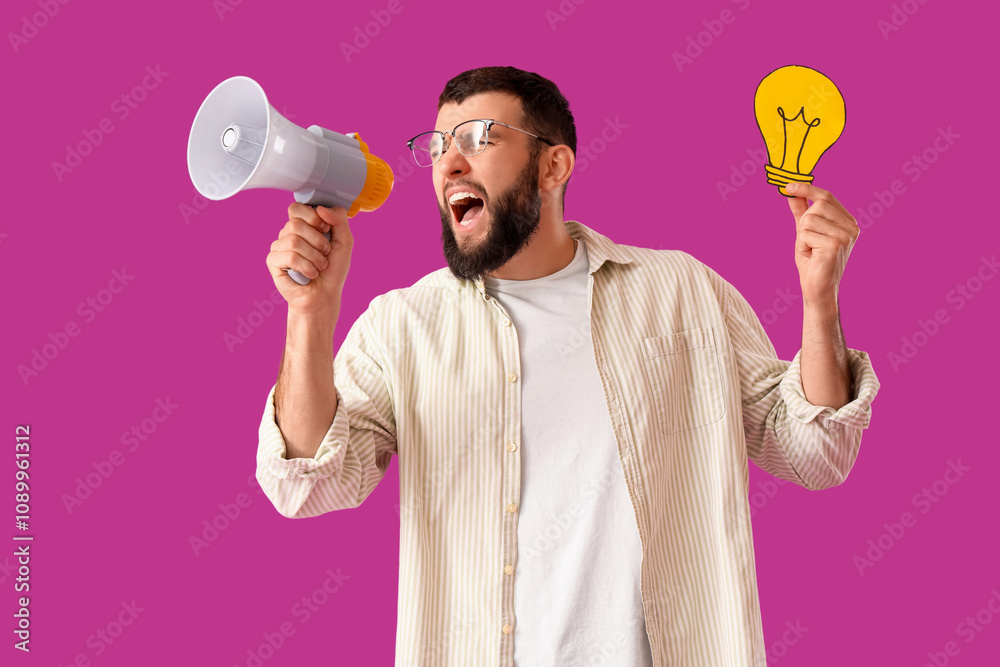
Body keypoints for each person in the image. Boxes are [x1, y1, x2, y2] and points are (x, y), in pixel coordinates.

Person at [256, 66, 880, 666]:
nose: (449, 162)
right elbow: (306, 485)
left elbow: (811, 453)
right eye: (439, 144)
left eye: (478, 138)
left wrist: (819, 299)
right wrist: (310, 312)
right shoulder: (403, 326)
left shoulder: (683, 292)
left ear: (553, 165)